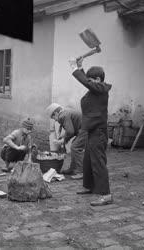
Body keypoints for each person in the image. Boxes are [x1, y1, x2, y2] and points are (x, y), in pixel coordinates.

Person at [69, 57, 113, 206]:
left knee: (98, 162)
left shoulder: (102, 89)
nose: (88, 83)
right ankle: (89, 186)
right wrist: (80, 67)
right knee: (88, 160)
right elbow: (89, 83)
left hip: (99, 132)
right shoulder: (96, 89)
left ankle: (105, 194)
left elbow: (88, 83)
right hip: (92, 130)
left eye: (91, 80)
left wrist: (75, 69)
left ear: (99, 79)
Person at [46, 103, 87, 177]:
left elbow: (70, 131)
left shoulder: (62, 115)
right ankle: (73, 168)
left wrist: (62, 141)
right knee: (74, 146)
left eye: (53, 118)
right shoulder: (65, 112)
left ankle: (81, 172)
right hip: (83, 129)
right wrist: (63, 137)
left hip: (85, 130)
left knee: (75, 148)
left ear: (55, 113)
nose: (55, 120)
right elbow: (71, 129)